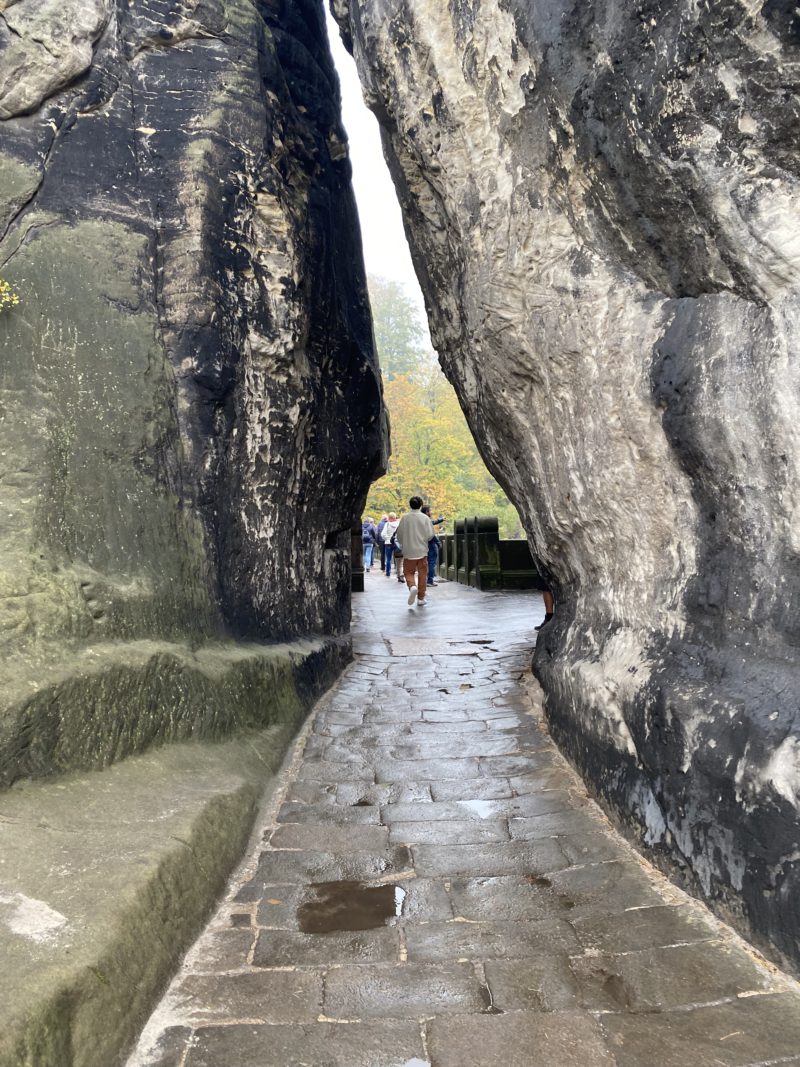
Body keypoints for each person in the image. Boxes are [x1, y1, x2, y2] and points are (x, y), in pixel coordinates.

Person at [395, 496, 435, 607]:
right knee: (422, 574)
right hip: (422, 550)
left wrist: (404, 543)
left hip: (408, 551)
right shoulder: (425, 518)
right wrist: (423, 540)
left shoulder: (405, 518)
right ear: (421, 505)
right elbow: (430, 534)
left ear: (410, 505)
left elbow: (399, 535)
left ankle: (412, 586)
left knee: (408, 572)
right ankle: (421, 598)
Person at [421, 505, 445, 586]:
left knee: (426, 563)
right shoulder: (426, 520)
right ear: (426, 512)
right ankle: (429, 581)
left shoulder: (421, 519)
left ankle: (427, 580)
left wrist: (440, 520)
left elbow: (433, 522)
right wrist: (438, 542)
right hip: (431, 544)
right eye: (430, 510)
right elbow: (431, 534)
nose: (431, 512)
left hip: (423, 544)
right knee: (432, 563)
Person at [381, 512, 399, 578]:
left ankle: (388, 573)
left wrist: (387, 538)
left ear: (389, 517)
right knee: (398, 559)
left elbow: (382, 534)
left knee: (388, 559)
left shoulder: (387, 524)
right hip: (397, 543)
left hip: (388, 543)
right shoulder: (398, 524)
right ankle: (398, 573)